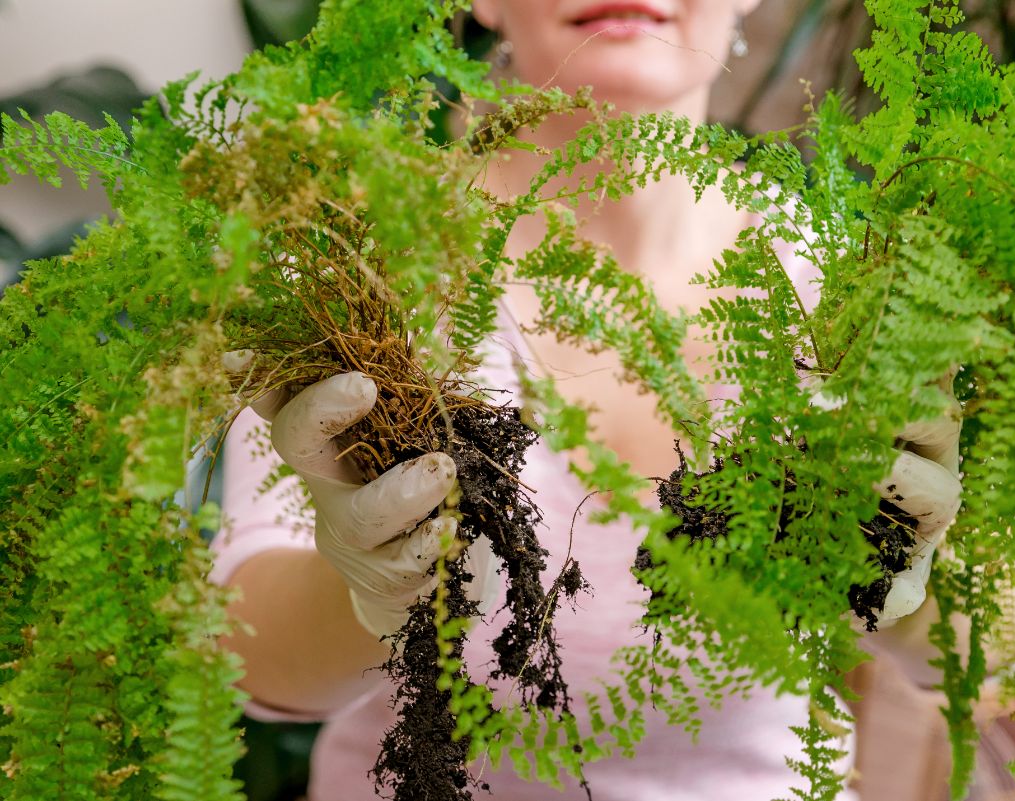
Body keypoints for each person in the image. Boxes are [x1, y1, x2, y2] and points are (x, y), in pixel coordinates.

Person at [212, 3, 964, 799]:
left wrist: (908, 594)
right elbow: (249, 644)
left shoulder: (857, 286)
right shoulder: (366, 267)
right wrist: (374, 594)